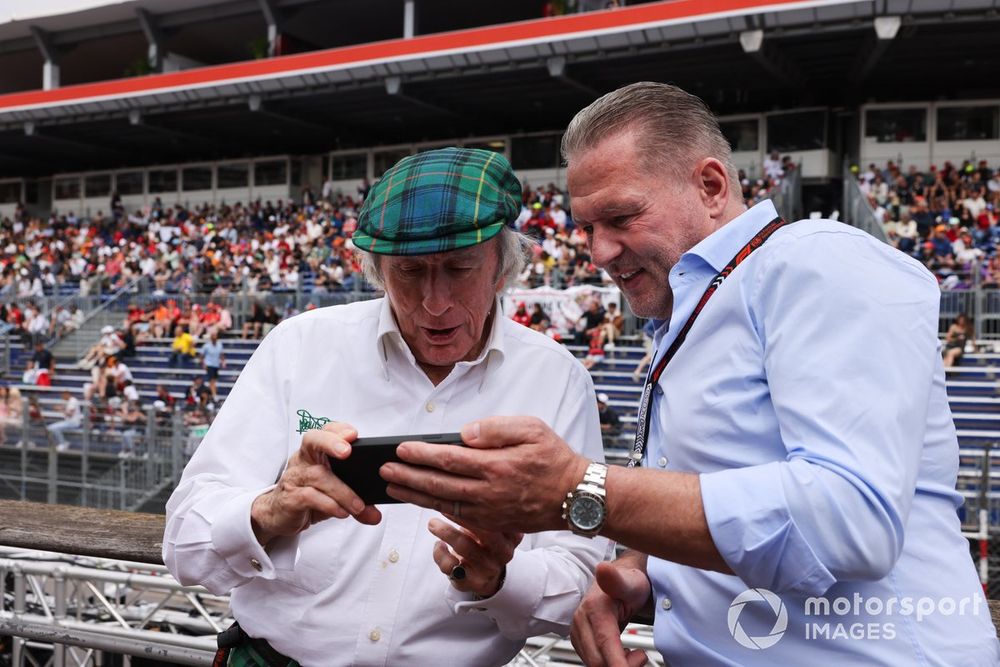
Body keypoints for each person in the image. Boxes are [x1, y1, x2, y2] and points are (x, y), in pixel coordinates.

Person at [379, 83, 1000, 665]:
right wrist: (642, 581)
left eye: (621, 218)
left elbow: (851, 518)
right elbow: (731, 495)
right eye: (587, 228)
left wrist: (580, 490)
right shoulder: (695, 306)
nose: (597, 252)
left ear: (709, 184)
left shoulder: (816, 260)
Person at [163, 147, 609, 667]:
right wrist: (270, 509)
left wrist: (499, 578)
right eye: (409, 273)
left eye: (459, 268)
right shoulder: (299, 346)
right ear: (377, 271)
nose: (435, 302)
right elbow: (184, 540)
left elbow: (581, 573)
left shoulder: (557, 378)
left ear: (501, 268)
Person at [199, 330, 226, 401]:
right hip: (209, 364)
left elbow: (221, 354)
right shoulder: (206, 346)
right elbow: (201, 356)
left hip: (216, 365)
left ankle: (212, 393)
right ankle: (214, 395)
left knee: (214, 380)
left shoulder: (219, 344)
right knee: (212, 380)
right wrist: (203, 364)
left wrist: (223, 361)